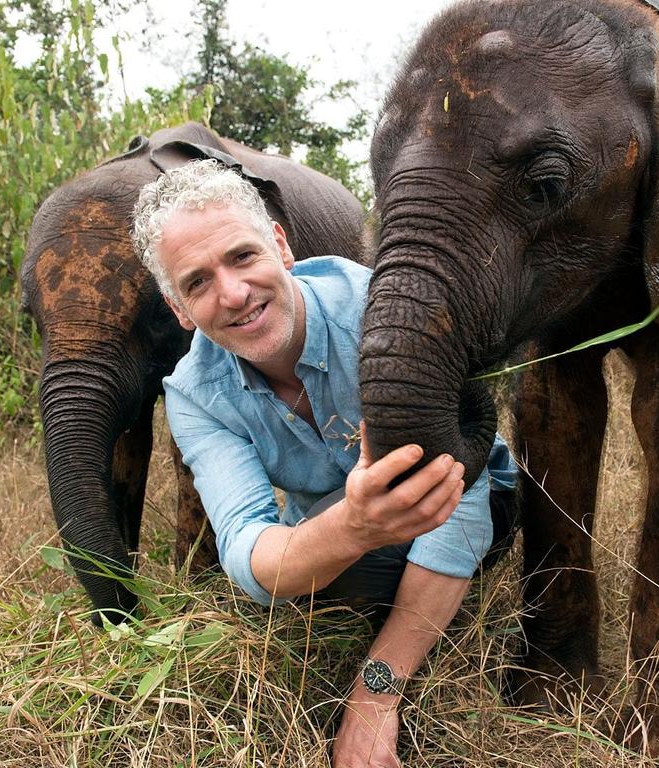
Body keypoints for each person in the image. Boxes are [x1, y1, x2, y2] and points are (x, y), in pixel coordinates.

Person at [131, 159, 518, 768]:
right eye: (198, 283)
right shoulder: (193, 394)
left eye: (242, 256)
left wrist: (374, 697)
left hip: (471, 503)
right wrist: (355, 528)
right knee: (298, 597)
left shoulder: (382, 313)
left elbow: (458, 489)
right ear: (179, 309)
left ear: (281, 245)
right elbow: (249, 555)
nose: (233, 294)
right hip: (346, 533)